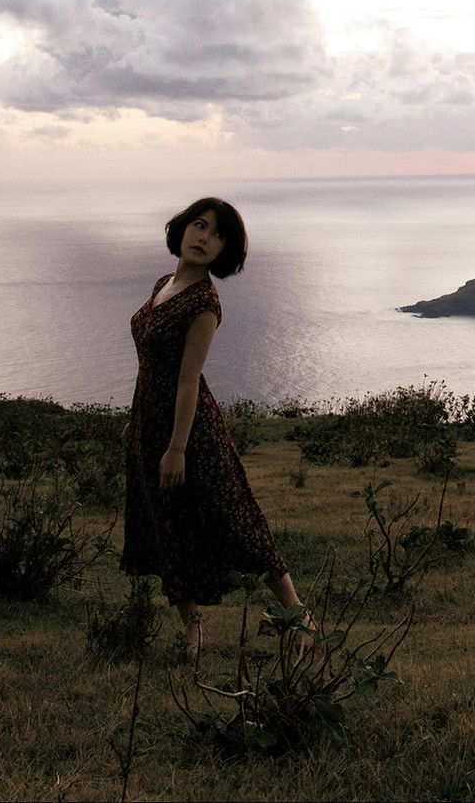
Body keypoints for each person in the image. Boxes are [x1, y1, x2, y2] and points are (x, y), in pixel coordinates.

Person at [121, 195, 303, 664]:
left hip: (192, 434)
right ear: (182, 228)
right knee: (167, 529)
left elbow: (187, 377)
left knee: (238, 520)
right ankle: (193, 631)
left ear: (227, 251)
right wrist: (135, 426)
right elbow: (151, 369)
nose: (205, 238)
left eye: (218, 234)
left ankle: (300, 620)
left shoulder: (203, 302)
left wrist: (176, 448)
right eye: (200, 226)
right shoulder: (165, 283)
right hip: (148, 425)